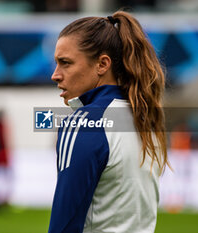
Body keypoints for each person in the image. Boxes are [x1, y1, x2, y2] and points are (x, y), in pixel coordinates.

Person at [48, 11, 170, 233]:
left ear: (102, 64)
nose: (55, 75)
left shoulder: (84, 124)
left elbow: (64, 225)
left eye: (65, 63)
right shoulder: (145, 119)